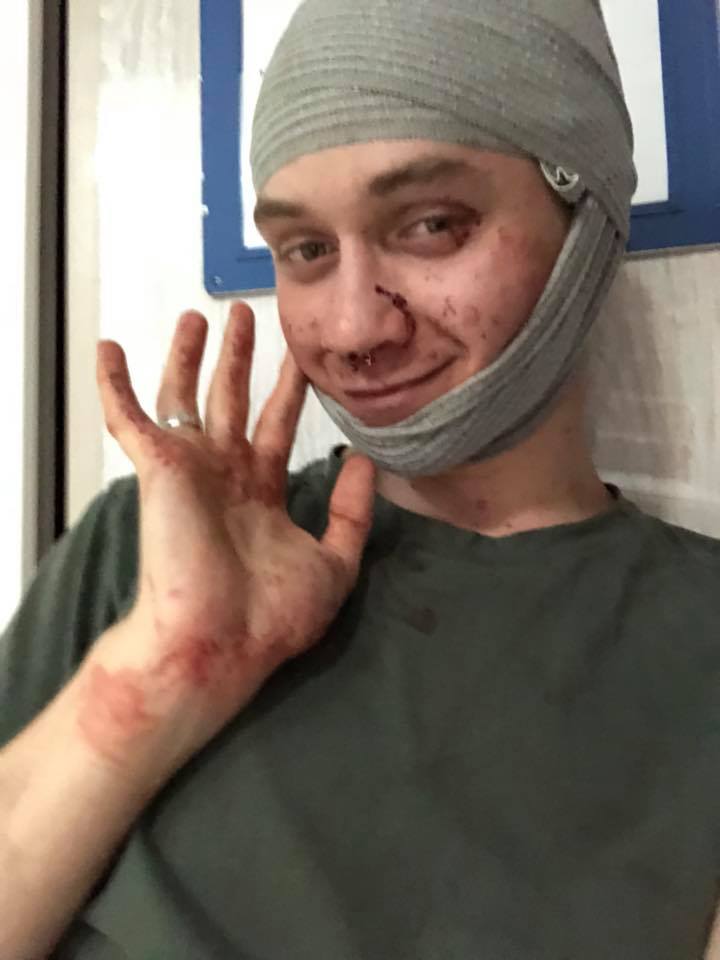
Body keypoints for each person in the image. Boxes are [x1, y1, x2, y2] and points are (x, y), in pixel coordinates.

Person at [2, 0, 720, 957]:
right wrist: (163, 669)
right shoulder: (151, 550)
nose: (351, 330)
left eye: (431, 225)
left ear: (585, 216)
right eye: (306, 250)